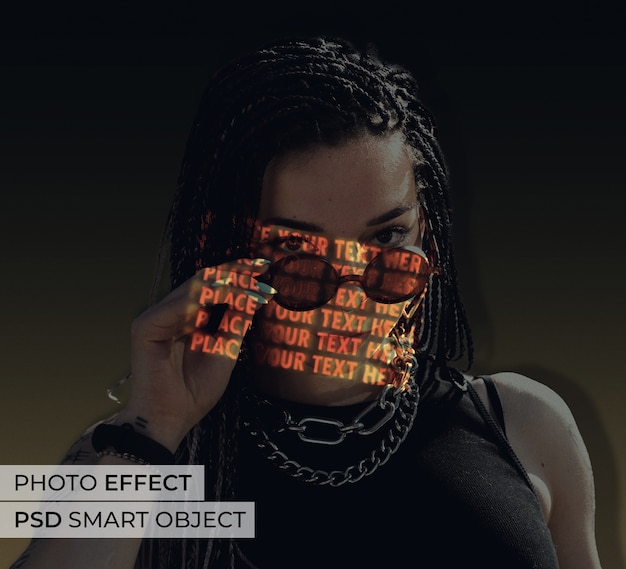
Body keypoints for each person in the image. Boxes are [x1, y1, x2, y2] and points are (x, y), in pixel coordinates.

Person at [11, 36, 602, 569]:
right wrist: (153, 428)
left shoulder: (523, 423)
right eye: (299, 255)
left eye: (387, 238)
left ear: (430, 231)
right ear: (226, 251)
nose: (350, 296)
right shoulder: (133, 460)